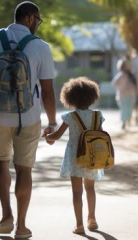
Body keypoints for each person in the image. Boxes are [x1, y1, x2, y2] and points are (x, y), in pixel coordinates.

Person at [0, 1, 57, 239]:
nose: (37, 24)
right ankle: (22, 226)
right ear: (29, 18)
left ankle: (6, 214)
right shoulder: (41, 47)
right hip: (28, 117)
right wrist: (53, 123)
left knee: (1, 162)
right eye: (37, 20)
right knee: (24, 169)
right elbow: (48, 92)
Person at [43, 77, 105, 235]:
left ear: (70, 98)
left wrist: (47, 137)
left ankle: (79, 225)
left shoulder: (70, 116)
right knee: (90, 188)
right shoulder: (97, 116)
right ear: (92, 97)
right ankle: (92, 219)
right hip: (92, 157)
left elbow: (56, 136)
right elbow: (102, 134)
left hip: (75, 157)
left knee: (77, 192)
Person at [110, 57, 138, 130]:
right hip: (129, 95)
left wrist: (120, 87)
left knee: (124, 108)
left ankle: (125, 122)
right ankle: (126, 122)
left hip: (123, 94)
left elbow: (113, 84)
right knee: (128, 108)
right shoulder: (131, 76)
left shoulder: (123, 75)